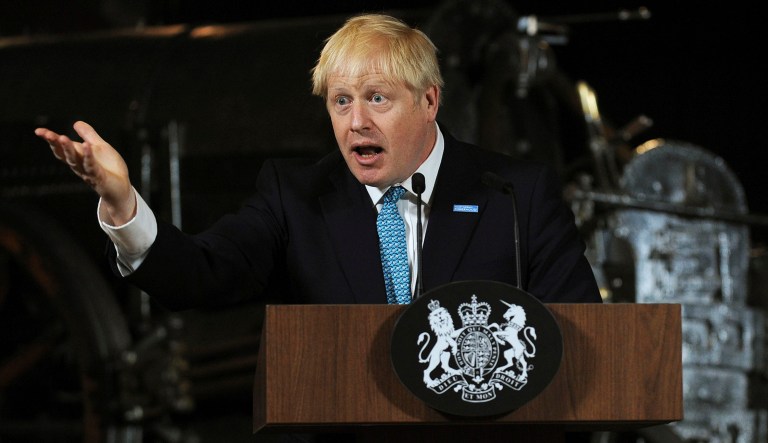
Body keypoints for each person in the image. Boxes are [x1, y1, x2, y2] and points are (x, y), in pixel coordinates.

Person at [35, 13, 600, 311]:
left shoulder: (515, 194)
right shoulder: (294, 197)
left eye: (377, 98)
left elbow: (577, 339)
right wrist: (121, 203)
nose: (356, 122)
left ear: (429, 100)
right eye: (340, 101)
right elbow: (199, 277)